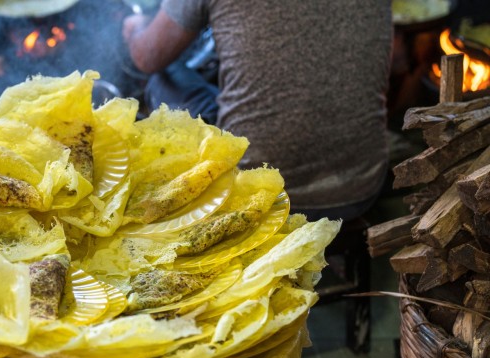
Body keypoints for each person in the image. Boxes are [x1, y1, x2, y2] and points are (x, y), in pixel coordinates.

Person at [122, 0, 393, 222]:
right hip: (363, 180)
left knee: (163, 77)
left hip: (257, 191)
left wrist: (135, 27)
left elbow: (148, 56)